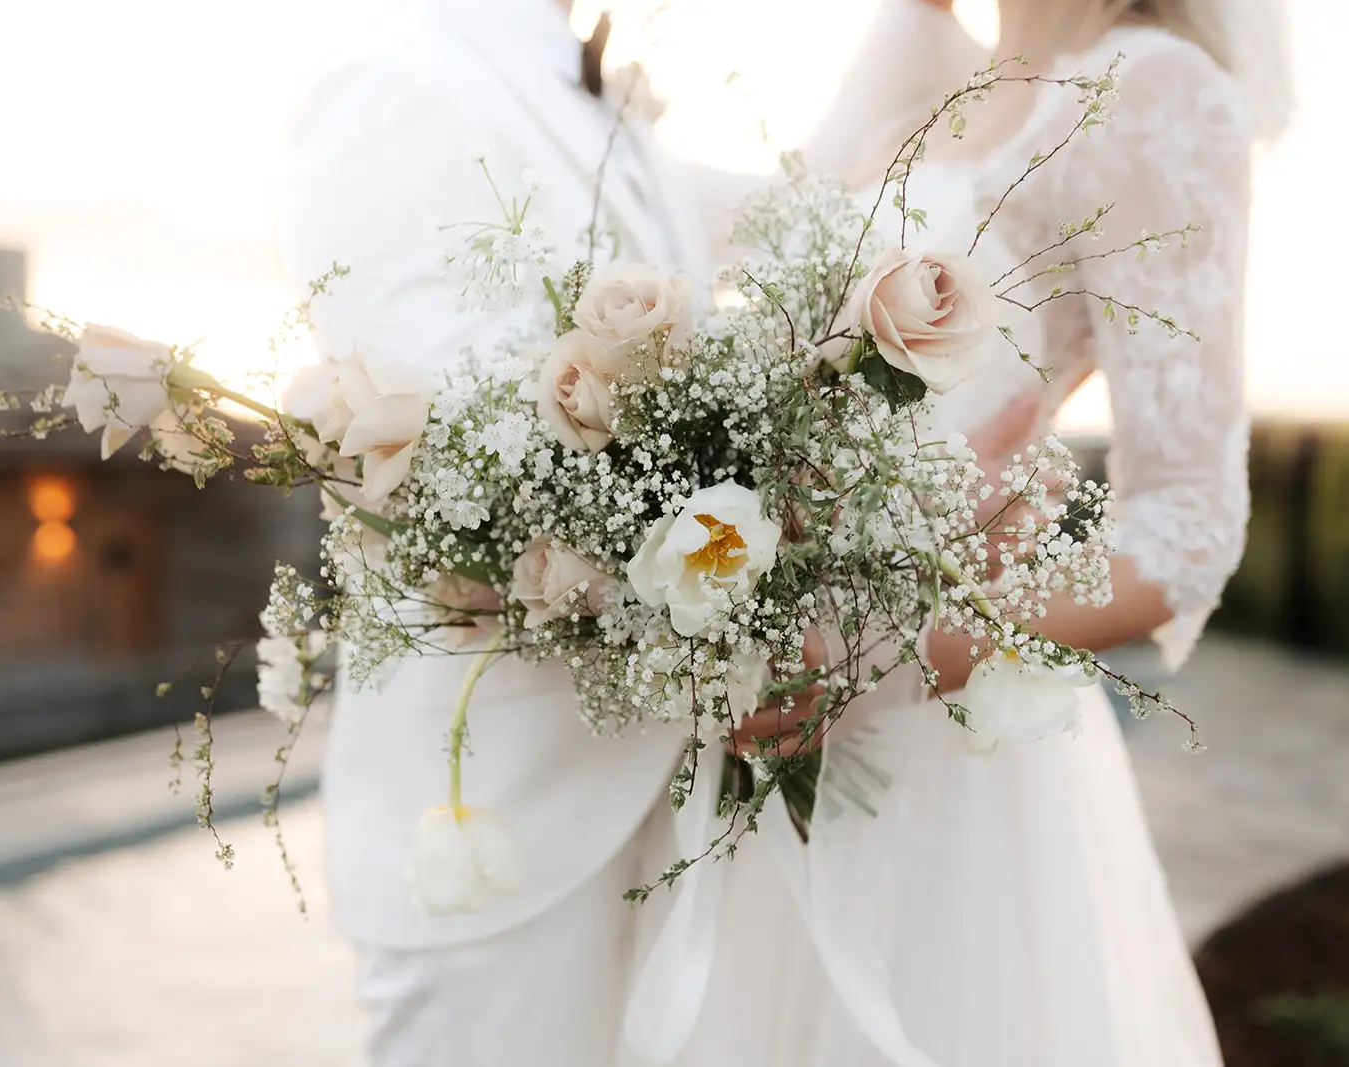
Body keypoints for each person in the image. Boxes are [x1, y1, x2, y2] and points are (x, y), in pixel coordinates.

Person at [621, 1, 1293, 1065]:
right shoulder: (918, 72)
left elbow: (1187, 526)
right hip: (770, 739)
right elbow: (722, 237)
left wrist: (872, 657)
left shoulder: (1151, 87)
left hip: (944, 749)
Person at [277, 2, 706, 1064]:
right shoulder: (399, 87)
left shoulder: (606, 104)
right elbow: (443, 453)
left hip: (687, 809)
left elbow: (823, 201)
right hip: (499, 826)